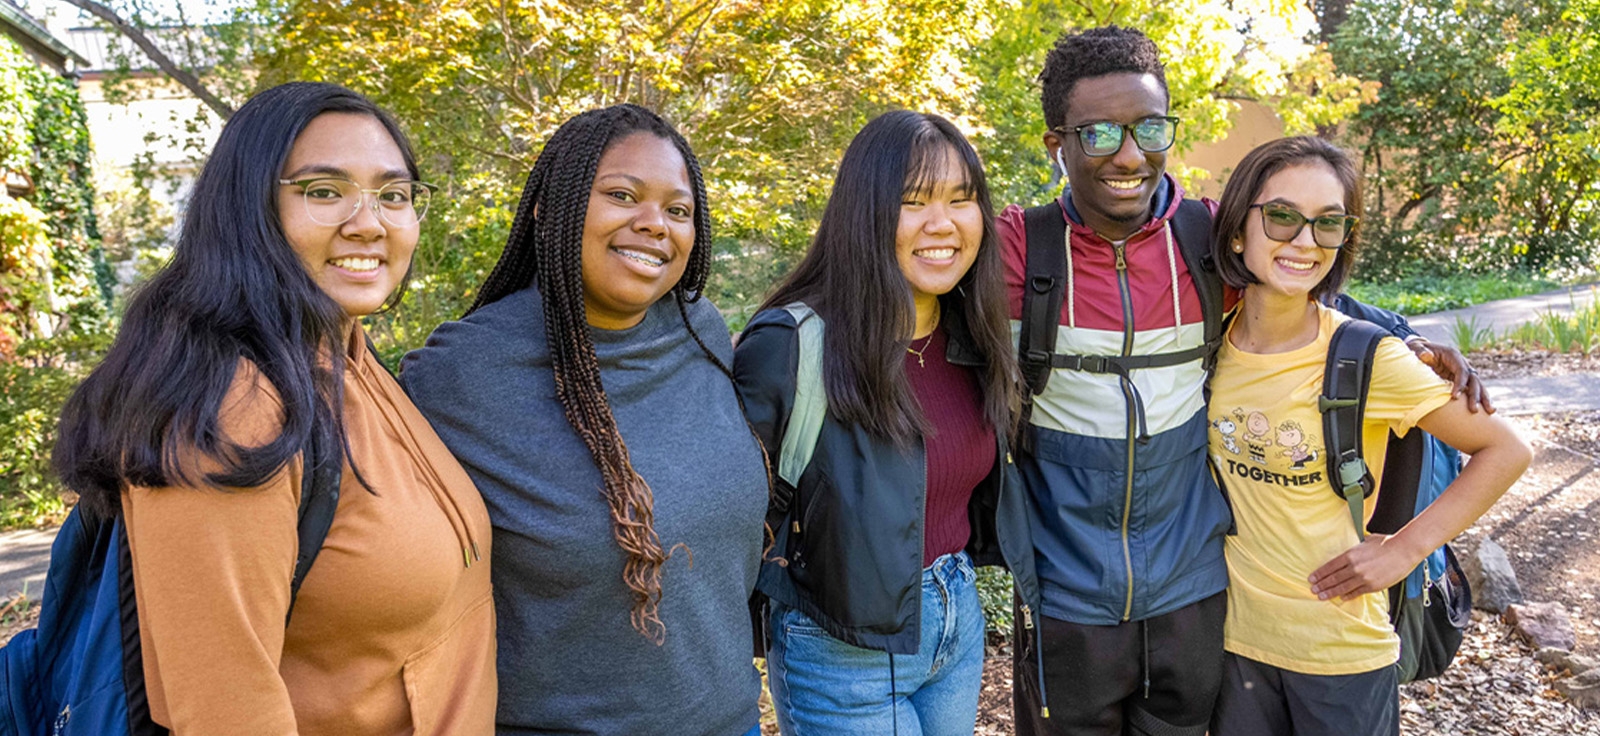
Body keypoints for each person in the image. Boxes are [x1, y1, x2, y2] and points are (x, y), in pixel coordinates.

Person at [1000, 26, 1492, 736]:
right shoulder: (1018, 248)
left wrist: (1403, 335)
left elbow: (1296, 276)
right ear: (1059, 144)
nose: (1130, 155)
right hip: (1067, 602)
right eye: (1100, 133)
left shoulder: (1202, 239)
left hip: (1196, 603)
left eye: (1150, 128)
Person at [51, 82, 496, 734]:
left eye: (394, 194)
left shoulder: (349, 355)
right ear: (249, 209)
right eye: (324, 191)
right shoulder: (235, 407)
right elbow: (226, 712)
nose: (369, 222)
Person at [400, 104, 767, 736]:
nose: (654, 223)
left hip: (731, 721)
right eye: (622, 195)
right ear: (550, 208)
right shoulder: (460, 375)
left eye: (678, 210)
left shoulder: (699, 331)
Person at [1204, 135, 1530, 735]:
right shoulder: (1207, 342)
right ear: (1236, 231)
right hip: (1233, 647)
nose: (1304, 241)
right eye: (1281, 216)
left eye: (1328, 223)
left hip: (1342, 656)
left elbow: (1507, 449)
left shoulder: (1367, 355)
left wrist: (1405, 549)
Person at [733, 110, 1040, 735]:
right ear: (865, 212)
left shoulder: (973, 338)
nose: (942, 223)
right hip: (842, 647)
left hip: (956, 620)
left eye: (961, 199)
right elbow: (727, 521)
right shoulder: (794, 346)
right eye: (912, 201)